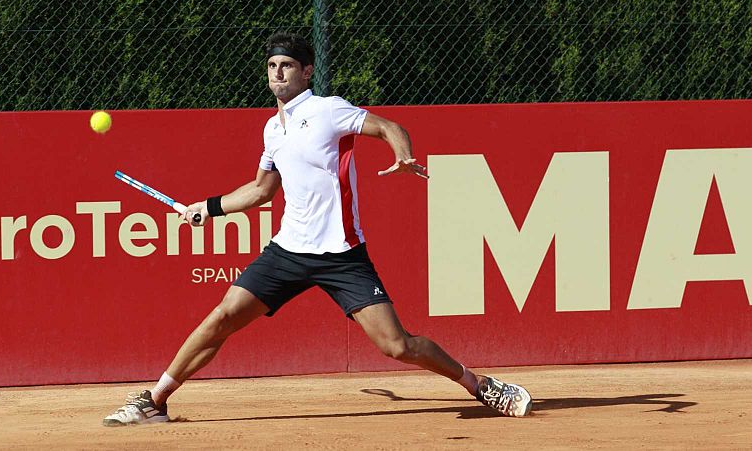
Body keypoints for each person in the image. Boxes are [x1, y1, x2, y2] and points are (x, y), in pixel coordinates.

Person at [103, 32, 531, 426]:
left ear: (306, 71)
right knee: (223, 317)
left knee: (396, 346)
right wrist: (207, 208)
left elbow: (387, 127)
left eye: (287, 65)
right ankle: (154, 401)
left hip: (342, 254)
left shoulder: (328, 110)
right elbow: (260, 191)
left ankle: (479, 385)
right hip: (288, 250)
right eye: (272, 66)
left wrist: (403, 154)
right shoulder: (273, 128)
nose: (278, 73)